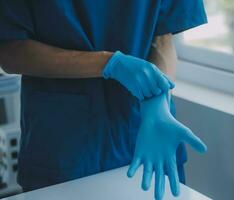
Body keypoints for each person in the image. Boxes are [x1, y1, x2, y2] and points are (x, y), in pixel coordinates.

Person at [0, 0, 208, 199]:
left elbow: (163, 39)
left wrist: (158, 98)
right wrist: (108, 63)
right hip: (65, 144)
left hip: (146, 134)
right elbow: (10, 51)